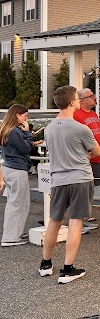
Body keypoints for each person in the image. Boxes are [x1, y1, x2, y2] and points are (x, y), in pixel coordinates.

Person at [39, 86, 100, 284]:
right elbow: (96, 151)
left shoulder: (48, 128)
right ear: (73, 102)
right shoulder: (80, 128)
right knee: (75, 221)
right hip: (80, 178)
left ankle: (45, 264)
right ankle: (67, 269)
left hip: (58, 179)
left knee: (54, 222)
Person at [0, 104, 41, 246]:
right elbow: (25, 148)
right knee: (19, 203)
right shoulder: (15, 131)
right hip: (17, 169)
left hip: (8, 167)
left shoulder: (6, 129)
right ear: (17, 115)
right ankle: (10, 237)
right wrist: (28, 134)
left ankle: (13, 231)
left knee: (14, 202)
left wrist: (27, 136)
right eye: (25, 115)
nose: (26, 118)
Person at [73, 88, 100, 229]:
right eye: (90, 96)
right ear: (82, 100)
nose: (94, 98)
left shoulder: (93, 114)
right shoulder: (76, 115)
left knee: (91, 187)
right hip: (86, 158)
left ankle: (86, 213)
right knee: (84, 187)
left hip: (98, 157)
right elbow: (75, 136)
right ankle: (80, 217)